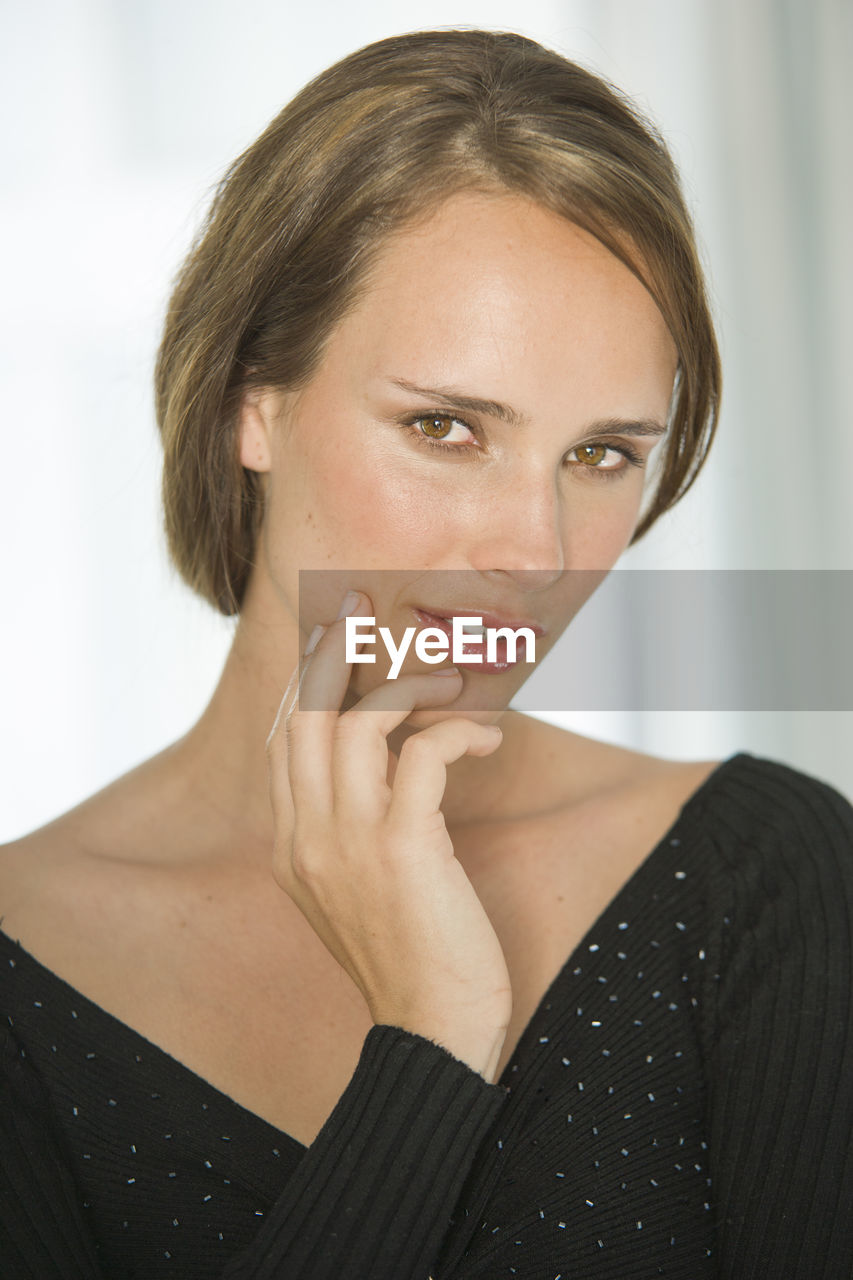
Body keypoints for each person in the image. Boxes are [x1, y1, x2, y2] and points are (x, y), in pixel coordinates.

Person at [1, 28, 851, 1280]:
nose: (533, 549)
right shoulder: (27, 970)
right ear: (253, 401)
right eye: (446, 427)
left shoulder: (767, 880)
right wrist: (431, 1037)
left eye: (602, 454)